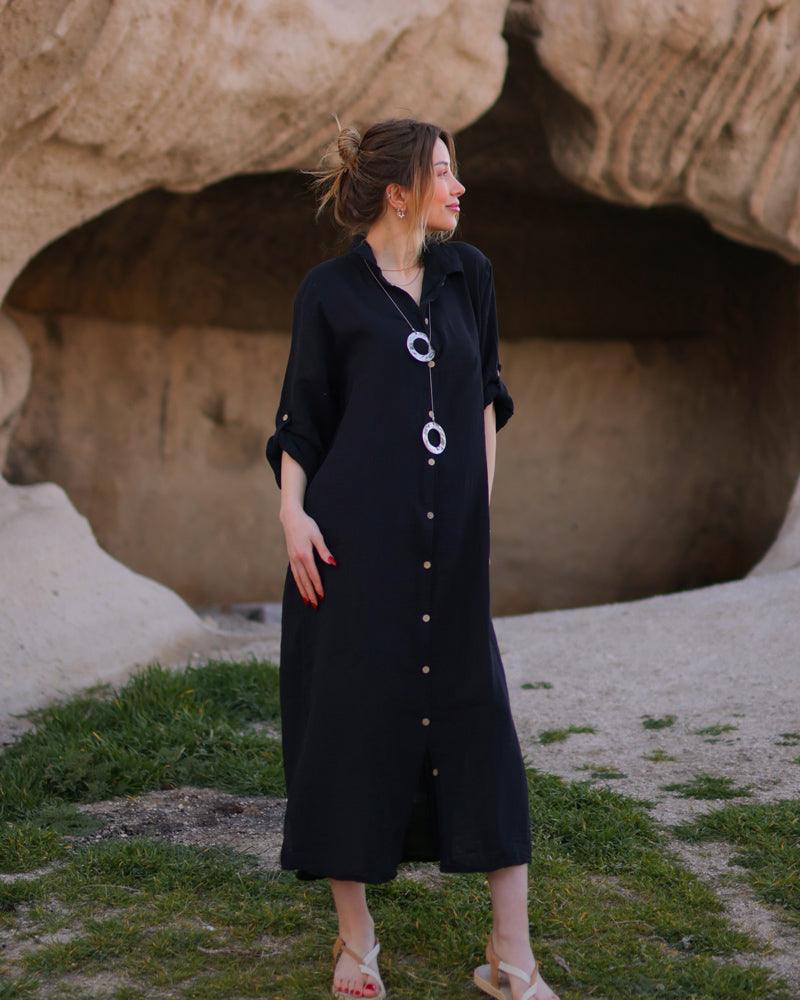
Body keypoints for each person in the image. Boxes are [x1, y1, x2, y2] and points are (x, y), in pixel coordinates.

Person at [265, 118, 559, 1000]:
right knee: (346, 728)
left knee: (481, 725)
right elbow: (301, 420)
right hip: (350, 547)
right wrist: (290, 514)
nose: (459, 188)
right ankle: (356, 948)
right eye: (443, 173)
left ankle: (514, 960)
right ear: (399, 192)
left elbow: (486, 399)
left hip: (449, 547)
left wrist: (475, 508)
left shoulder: (470, 275)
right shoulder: (328, 292)